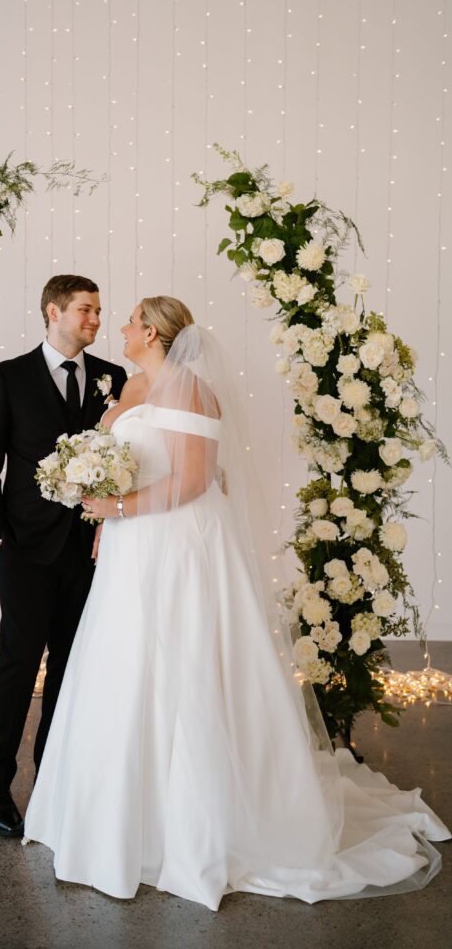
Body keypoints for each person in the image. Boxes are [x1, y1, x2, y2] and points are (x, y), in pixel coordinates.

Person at [23, 296, 450, 909]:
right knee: (123, 665)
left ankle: (192, 824)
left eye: (129, 319)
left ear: (151, 330)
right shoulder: (133, 383)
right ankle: (112, 817)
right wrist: (103, 514)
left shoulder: (192, 391)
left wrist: (118, 508)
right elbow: (130, 464)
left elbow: (196, 480)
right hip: (128, 547)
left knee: (184, 665)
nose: (118, 326)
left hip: (175, 545)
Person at [0, 274, 127, 837]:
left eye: (99, 311)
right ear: (53, 312)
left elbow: (124, 455)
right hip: (24, 548)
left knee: (71, 664)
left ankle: (52, 777)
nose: (96, 320)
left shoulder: (114, 377)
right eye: (85, 310)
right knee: (17, 660)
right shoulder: (7, 377)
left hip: (90, 549)